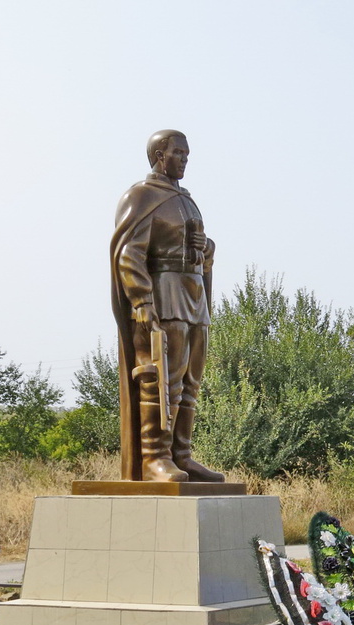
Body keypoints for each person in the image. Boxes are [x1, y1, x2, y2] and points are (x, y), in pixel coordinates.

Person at [110, 130, 225, 482]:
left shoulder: (187, 200)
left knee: (191, 381)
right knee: (161, 378)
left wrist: (205, 250)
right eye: (179, 153)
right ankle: (155, 458)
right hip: (164, 293)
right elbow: (129, 252)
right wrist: (142, 299)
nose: (185, 158)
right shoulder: (143, 197)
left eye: (187, 153)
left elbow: (197, 250)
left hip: (193, 295)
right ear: (160, 155)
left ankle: (182, 454)